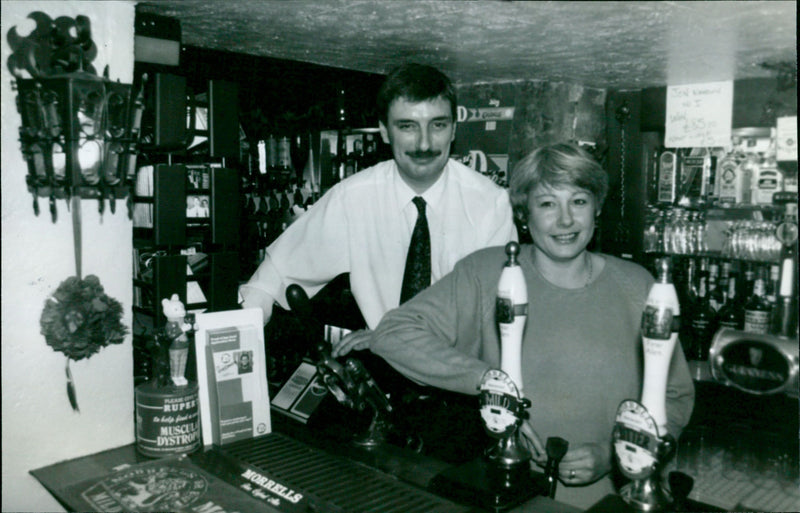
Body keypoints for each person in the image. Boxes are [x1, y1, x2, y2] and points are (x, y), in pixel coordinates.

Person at [368, 142, 695, 509]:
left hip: (611, 500)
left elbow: (675, 396)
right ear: (524, 214)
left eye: (579, 201)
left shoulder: (639, 286)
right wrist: (495, 386)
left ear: (597, 208)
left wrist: (616, 454)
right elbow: (394, 334)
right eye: (547, 204)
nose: (566, 220)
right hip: (506, 493)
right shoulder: (487, 274)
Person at [239, 63, 516, 334]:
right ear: (384, 131)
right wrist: (238, 332)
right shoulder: (354, 198)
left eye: (438, 125)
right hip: (385, 366)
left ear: (454, 129)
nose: (424, 143)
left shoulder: (490, 205)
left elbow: (500, 312)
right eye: (407, 126)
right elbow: (274, 275)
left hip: (460, 370)